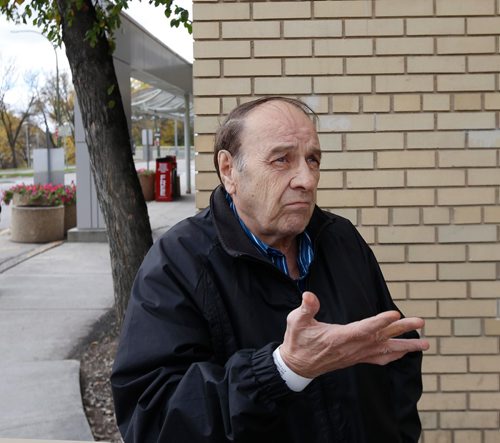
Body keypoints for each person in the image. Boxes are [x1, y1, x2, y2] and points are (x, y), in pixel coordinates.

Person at [111, 96, 429, 443]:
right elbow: (152, 419)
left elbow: (394, 356)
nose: (306, 180)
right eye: (282, 160)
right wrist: (281, 370)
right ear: (229, 170)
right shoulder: (178, 261)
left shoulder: (341, 240)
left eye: (313, 159)